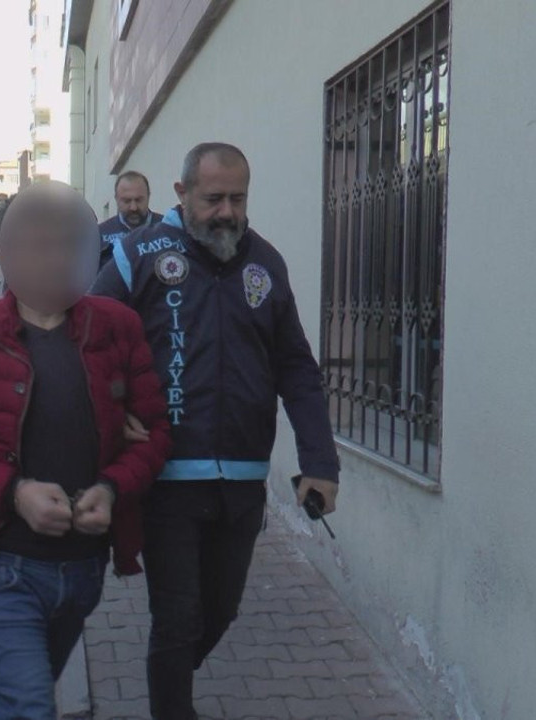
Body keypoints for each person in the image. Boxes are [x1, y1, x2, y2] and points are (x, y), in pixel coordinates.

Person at [92, 143, 341, 720]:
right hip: (167, 478)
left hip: (243, 480)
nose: (227, 212)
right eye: (213, 199)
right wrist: (114, 411)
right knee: (177, 618)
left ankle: (171, 682)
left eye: (238, 198)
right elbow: (89, 341)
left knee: (219, 613)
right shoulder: (136, 256)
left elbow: (296, 368)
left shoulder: (266, 265)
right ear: (181, 195)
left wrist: (320, 463)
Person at [0, 182, 173, 720]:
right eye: (36, 244)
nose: (52, 257)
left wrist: (112, 488)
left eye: (65, 244)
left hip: (83, 567)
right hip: (2, 564)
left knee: (14, 696)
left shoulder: (118, 328)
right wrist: (15, 493)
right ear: (4, 253)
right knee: (29, 704)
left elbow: (156, 435)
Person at [98, 171, 164, 270]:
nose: (133, 207)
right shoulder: (100, 234)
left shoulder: (167, 229)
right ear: (116, 199)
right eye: (127, 201)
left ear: (148, 197)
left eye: (139, 200)